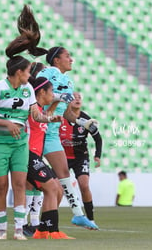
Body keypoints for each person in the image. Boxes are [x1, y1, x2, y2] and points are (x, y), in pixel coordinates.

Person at [0, 5, 59, 241]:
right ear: (18, 72)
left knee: (19, 184)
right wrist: (7, 124)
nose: (30, 76)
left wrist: (49, 117)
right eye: (27, 72)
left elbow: (35, 114)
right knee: (1, 187)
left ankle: (18, 230)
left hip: (19, 143)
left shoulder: (27, 89)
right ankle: (1, 230)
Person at [36, 47, 99, 230]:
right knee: (31, 183)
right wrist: (59, 96)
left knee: (63, 175)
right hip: (39, 129)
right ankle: (30, 223)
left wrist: (82, 123)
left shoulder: (69, 82)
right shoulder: (46, 73)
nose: (71, 59)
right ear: (56, 60)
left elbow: (65, 113)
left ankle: (76, 216)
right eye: (67, 56)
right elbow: (38, 96)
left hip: (52, 133)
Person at [26, 76, 74, 239]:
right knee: (52, 188)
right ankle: (53, 231)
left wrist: (57, 101)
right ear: (41, 92)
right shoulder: (30, 110)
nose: (53, 94)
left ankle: (42, 230)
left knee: (58, 189)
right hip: (27, 155)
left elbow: (47, 114)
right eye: (51, 91)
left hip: (36, 156)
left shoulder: (40, 110)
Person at [59, 92, 102, 226]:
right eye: (74, 98)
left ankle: (90, 218)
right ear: (68, 102)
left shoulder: (86, 120)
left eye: (79, 98)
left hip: (80, 157)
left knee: (84, 185)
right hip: (62, 157)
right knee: (57, 189)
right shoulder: (60, 118)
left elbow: (98, 138)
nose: (77, 100)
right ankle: (49, 220)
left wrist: (97, 156)